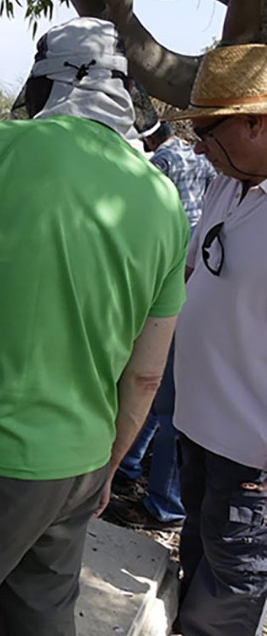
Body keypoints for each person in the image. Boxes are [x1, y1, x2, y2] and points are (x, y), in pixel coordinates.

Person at [0, 17, 187, 635]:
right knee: (44, 615)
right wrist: (107, 465)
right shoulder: (161, 200)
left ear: (46, 83)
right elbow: (147, 372)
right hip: (77, 464)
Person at [165, 43, 267, 636]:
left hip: (251, 450)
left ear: (256, 121)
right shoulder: (231, 185)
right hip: (201, 429)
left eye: (208, 129)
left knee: (232, 585)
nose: (198, 144)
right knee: (201, 556)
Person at [106, 120, 216, 532]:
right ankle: (129, 465)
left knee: (166, 399)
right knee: (159, 394)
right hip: (188, 275)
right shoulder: (205, 165)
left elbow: (145, 216)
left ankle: (163, 505)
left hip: (178, 282)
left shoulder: (164, 162)